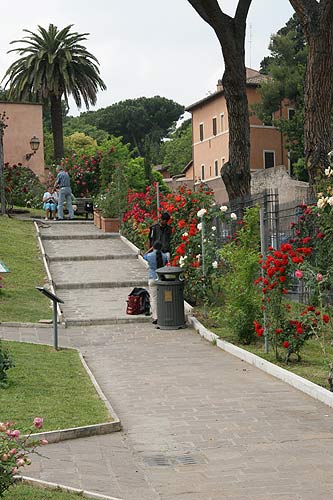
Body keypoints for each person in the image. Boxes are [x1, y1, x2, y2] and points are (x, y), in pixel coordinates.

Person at [143, 241, 168, 324]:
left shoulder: (149, 256)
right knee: (163, 298)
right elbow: (167, 261)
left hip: (152, 278)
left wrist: (150, 249)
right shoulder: (165, 256)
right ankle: (164, 314)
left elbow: (144, 256)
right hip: (161, 279)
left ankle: (156, 317)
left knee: (154, 299)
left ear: (153, 247)